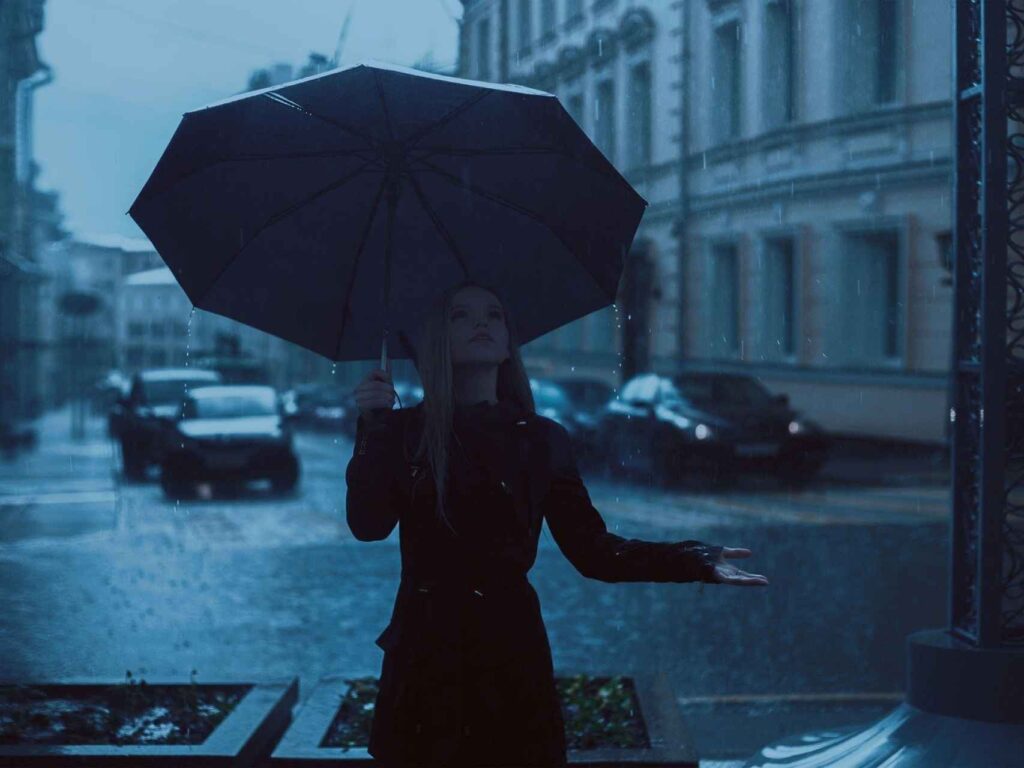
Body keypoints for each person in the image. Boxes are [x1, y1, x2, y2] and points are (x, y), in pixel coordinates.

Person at [345, 279, 769, 767]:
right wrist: (373, 426)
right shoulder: (403, 432)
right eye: (460, 315)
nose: (482, 322)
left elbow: (595, 552)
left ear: (509, 344)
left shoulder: (540, 439)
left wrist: (693, 560)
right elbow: (368, 524)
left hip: (509, 656)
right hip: (424, 657)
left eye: (494, 314)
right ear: (435, 340)